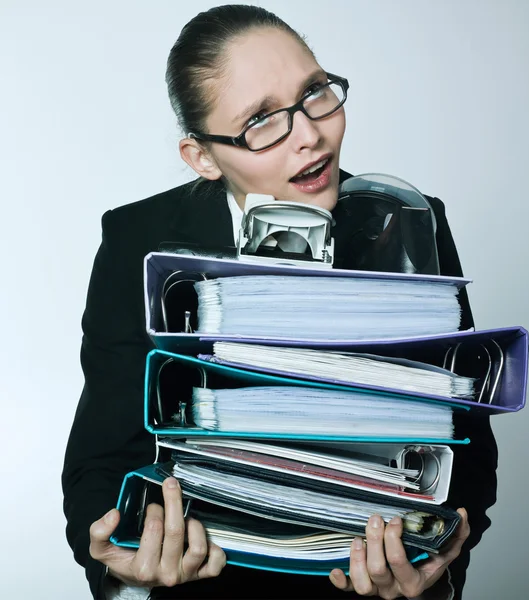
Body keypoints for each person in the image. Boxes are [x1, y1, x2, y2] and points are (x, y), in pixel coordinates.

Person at [62, 4, 498, 599]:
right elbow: (99, 461)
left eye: (315, 92)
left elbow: (464, 445)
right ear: (203, 158)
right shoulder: (136, 242)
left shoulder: (413, 223)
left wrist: (433, 570)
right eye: (261, 120)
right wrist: (128, 573)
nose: (311, 135)